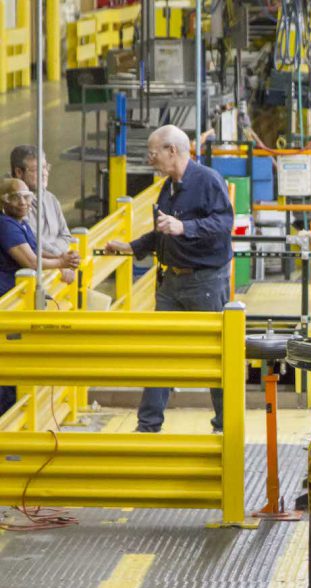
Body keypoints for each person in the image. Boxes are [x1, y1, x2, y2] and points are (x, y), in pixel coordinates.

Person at [105, 125, 234, 433]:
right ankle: (148, 425)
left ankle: (226, 425)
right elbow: (162, 231)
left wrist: (184, 227)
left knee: (215, 353)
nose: (150, 160)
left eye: (153, 153)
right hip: (171, 283)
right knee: (160, 352)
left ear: (172, 151)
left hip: (204, 282)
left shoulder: (207, 181)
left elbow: (224, 221)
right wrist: (132, 247)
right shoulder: (168, 187)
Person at [0, 177, 80, 416]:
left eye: (27, 197)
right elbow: (30, 261)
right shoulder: (6, 225)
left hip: (17, 299)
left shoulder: (20, 223)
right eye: (17, 197)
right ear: (4, 201)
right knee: (9, 360)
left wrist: (60, 262)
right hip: (9, 301)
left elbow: (36, 250)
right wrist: (61, 262)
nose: (24, 202)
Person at [11, 146, 74, 258]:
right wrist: (59, 256)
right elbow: (32, 244)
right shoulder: (15, 207)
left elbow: (66, 236)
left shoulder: (51, 199)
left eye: (45, 167)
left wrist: (58, 255)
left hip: (59, 264)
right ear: (19, 172)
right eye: (37, 169)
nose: (44, 173)